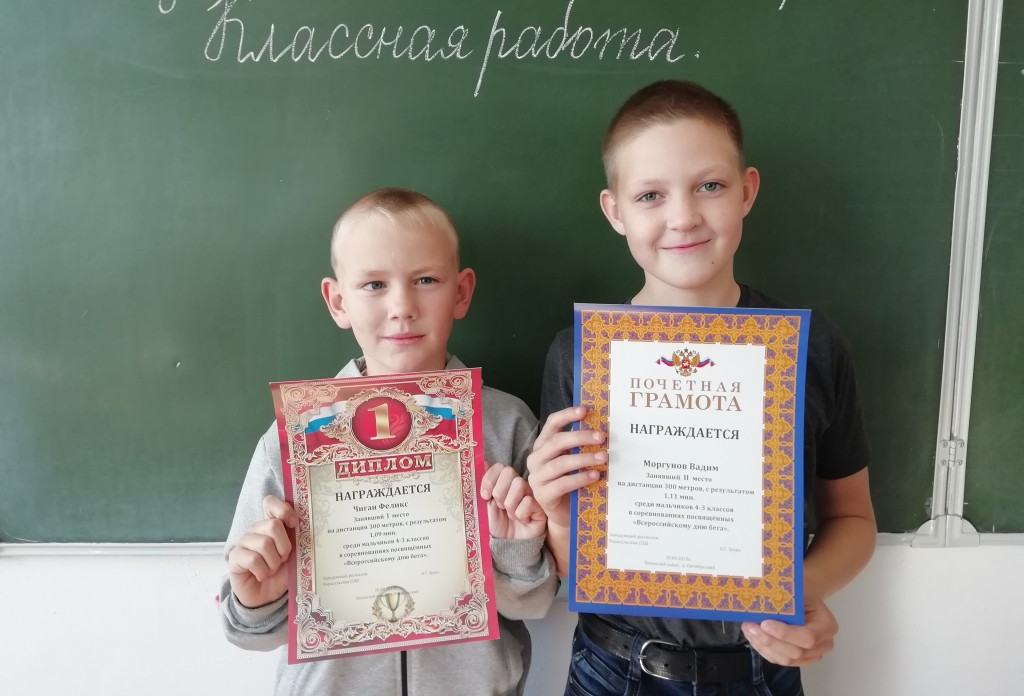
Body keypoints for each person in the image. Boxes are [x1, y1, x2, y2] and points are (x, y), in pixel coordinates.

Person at [527, 80, 876, 695]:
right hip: (611, 668)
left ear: (747, 191)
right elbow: (570, 562)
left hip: (759, 669)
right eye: (650, 195)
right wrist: (556, 514)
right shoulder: (580, 357)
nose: (683, 217)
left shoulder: (809, 347)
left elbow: (852, 516)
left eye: (709, 186)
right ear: (615, 211)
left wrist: (801, 593)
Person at [220, 187, 557, 696]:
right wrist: (260, 598)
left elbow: (532, 602)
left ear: (461, 292)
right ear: (338, 301)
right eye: (374, 284)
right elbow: (247, 629)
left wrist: (514, 550)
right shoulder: (295, 436)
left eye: (426, 280)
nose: (402, 307)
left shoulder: (505, 425)